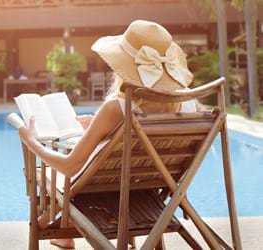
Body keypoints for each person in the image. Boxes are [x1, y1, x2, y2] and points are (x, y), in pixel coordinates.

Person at [18, 20, 196, 249]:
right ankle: (62, 231)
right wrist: (101, 127)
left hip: (105, 188)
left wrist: (31, 141)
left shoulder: (116, 109)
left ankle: (56, 225)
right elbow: (144, 145)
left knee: (51, 175)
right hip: (149, 187)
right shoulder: (190, 104)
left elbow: (69, 167)